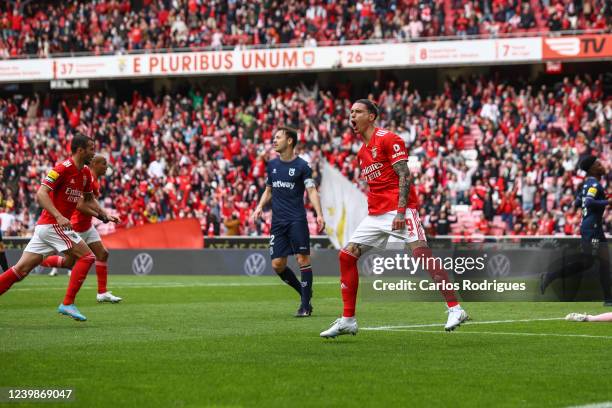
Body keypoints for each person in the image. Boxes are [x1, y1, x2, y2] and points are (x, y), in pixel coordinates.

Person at [320, 99, 468, 338]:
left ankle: (455, 308)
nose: (352, 116)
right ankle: (348, 320)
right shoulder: (361, 153)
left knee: (421, 254)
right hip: (376, 214)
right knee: (347, 255)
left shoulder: (389, 139)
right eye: (350, 112)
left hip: (400, 210)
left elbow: (405, 176)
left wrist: (400, 212)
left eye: (357, 112)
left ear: (371, 116)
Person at [0, 135, 109, 321]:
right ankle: (67, 303)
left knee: (21, 270)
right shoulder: (62, 169)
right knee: (88, 256)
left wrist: (104, 215)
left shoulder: (84, 174)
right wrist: (58, 215)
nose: (93, 152)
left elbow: (89, 200)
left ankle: (66, 299)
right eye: (91, 148)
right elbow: (41, 193)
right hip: (52, 224)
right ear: (80, 150)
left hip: (47, 228)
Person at [252, 127, 325, 317]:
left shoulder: (302, 166)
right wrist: (259, 206)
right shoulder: (273, 165)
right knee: (277, 264)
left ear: (290, 141)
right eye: (273, 137)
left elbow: (311, 191)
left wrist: (319, 214)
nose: (274, 140)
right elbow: (268, 190)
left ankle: (305, 305)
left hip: (296, 220)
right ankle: (305, 293)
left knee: (302, 259)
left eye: (278, 137)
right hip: (278, 222)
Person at [39, 155, 122, 303]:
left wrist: (104, 215)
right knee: (69, 263)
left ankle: (102, 293)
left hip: (87, 225)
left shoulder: (92, 180)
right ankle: (40, 260)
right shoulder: (86, 177)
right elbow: (80, 205)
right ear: (95, 164)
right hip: (77, 225)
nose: (106, 167)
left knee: (102, 254)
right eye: (104, 164)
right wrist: (101, 216)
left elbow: (90, 202)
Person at [540, 156, 610, 306]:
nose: (601, 165)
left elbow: (577, 202)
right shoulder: (594, 185)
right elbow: (590, 202)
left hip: (591, 227)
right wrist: (608, 202)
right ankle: (550, 276)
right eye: (598, 163)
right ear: (592, 169)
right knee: (593, 262)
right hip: (593, 229)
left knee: (599, 262)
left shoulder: (587, 184)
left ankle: (609, 299)